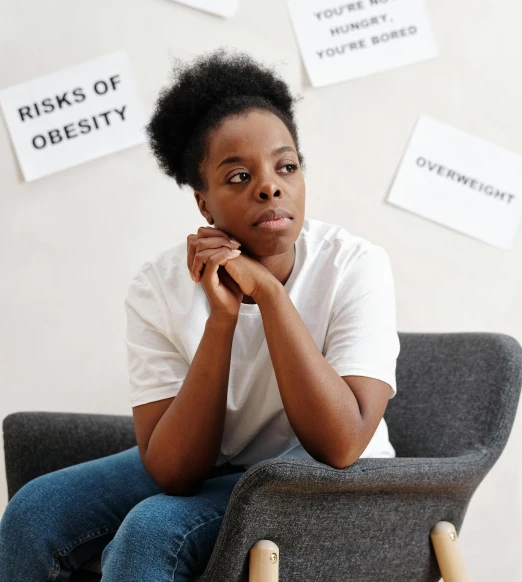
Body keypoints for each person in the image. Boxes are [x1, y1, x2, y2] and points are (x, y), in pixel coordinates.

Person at [0, 48, 400, 581]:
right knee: (35, 511)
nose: (269, 185)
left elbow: (342, 444)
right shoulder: (157, 287)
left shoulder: (355, 265)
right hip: (220, 465)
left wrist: (273, 298)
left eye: (287, 166)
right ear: (203, 205)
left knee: (153, 531)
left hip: (333, 478)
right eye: (238, 177)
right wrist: (222, 321)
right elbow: (175, 471)